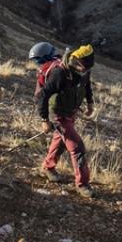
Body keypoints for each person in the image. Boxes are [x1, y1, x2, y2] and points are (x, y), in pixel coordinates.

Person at [35, 43, 96, 198]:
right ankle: (83, 184)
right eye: (83, 68)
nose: (85, 71)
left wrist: (90, 102)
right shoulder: (59, 73)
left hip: (70, 112)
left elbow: (86, 84)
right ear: (75, 61)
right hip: (58, 114)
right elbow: (43, 95)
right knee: (77, 148)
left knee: (60, 141)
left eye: (88, 69)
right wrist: (44, 119)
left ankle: (48, 167)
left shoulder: (84, 70)